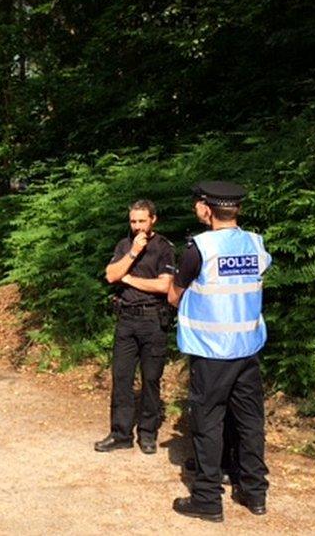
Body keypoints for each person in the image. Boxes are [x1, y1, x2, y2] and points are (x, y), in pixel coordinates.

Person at [168, 181, 271, 523]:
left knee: (208, 423)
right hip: (248, 350)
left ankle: (208, 499)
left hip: (212, 353)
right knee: (250, 421)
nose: (196, 208)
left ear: (207, 209)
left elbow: (175, 294)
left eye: (198, 203)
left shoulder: (199, 248)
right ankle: (254, 492)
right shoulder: (256, 244)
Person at [96, 199, 176, 455]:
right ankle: (120, 433)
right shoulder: (124, 245)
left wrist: (128, 277)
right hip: (126, 320)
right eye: (133, 221)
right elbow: (110, 275)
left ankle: (147, 433)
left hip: (153, 320)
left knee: (151, 379)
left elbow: (164, 286)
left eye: (142, 221)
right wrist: (132, 253)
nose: (137, 226)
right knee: (121, 378)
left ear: (153, 220)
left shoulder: (164, 248)